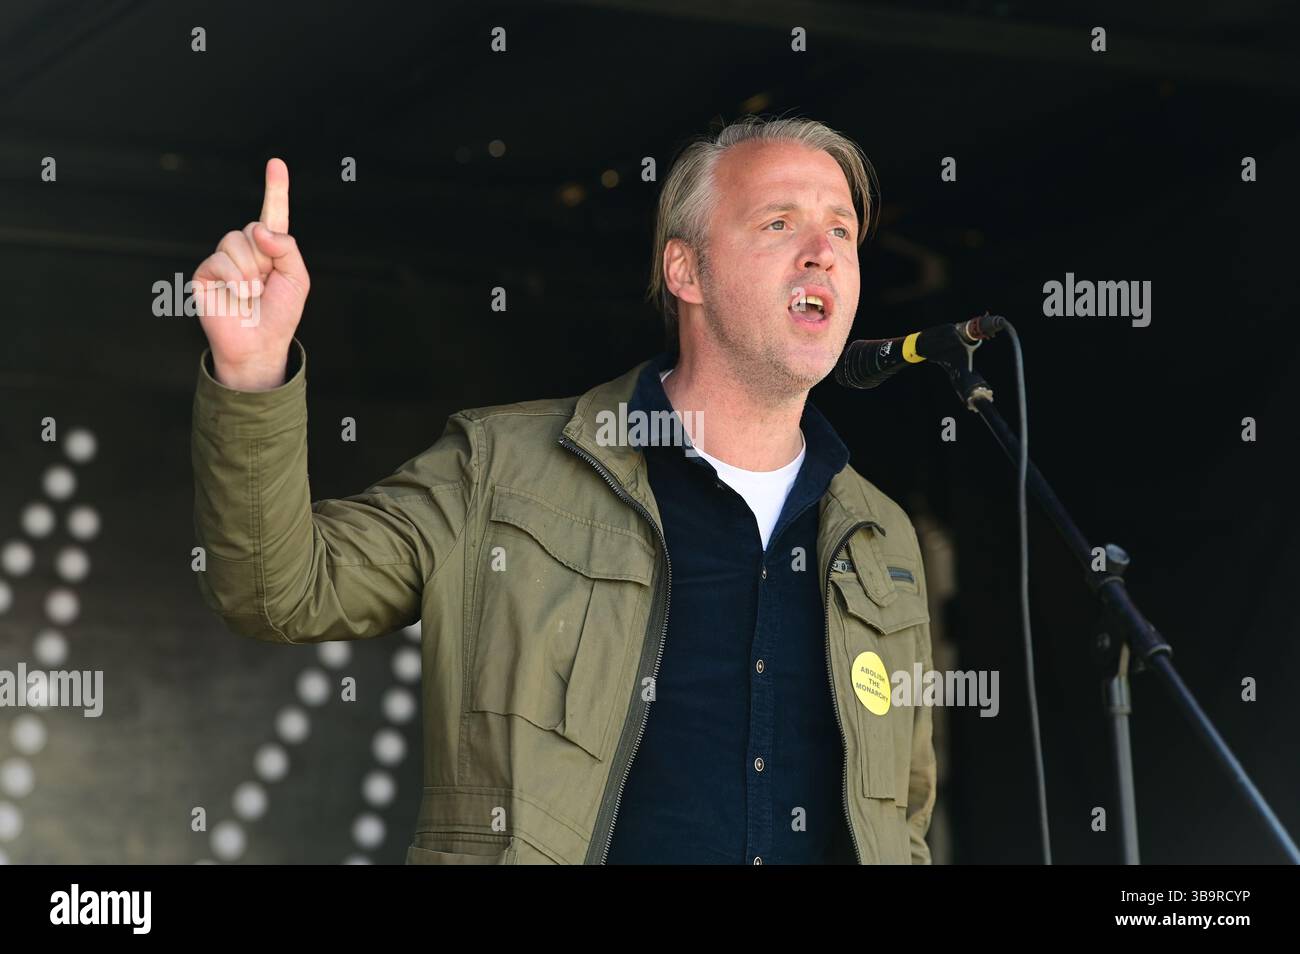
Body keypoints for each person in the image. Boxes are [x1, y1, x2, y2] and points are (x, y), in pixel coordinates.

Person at [190, 115, 936, 865]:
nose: (824, 255)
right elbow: (276, 591)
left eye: (842, 232)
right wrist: (252, 377)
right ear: (686, 271)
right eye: (781, 223)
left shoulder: (880, 537)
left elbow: (902, 821)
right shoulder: (500, 471)